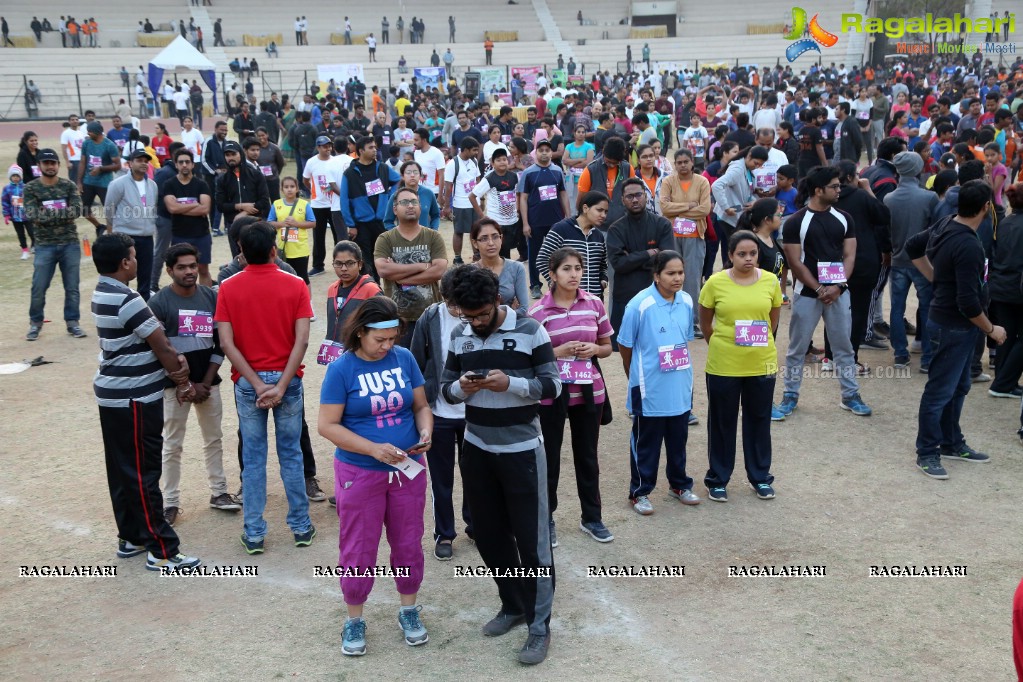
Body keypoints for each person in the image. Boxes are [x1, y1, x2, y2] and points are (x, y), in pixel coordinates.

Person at [438, 265, 559, 665]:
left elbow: (552, 386)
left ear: (497, 301)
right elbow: (446, 390)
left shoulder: (530, 331)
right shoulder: (460, 335)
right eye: (466, 316)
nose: (474, 322)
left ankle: (539, 627)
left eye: (480, 315)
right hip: (476, 450)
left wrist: (511, 384)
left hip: (523, 451)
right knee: (489, 537)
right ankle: (512, 605)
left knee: (532, 543)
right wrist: (463, 388)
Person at [318, 296, 434, 655]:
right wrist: (372, 449)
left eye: (392, 339)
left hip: (407, 472)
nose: (387, 346)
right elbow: (327, 425)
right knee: (358, 548)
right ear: (360, 333)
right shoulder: (342, 369)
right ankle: (354, 618)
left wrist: (426, 432)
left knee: (408, 542)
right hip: (360, 472)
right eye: (379, 340)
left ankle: (409, 610)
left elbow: (421, 406)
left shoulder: (405, 358)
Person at [90, 233, 202, 571]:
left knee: (122, 468)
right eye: (134, 256)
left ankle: (132, 537)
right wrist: (182, 380)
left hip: (112, 395)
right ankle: (162, 550)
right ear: (125, 263)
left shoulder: (101, 290)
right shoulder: (128, 299)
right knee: (144, 472)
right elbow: (164, 347)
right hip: (135, 397)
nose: (137, 261)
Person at [215, 221, 315, 553]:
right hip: (288, 381)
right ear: (275, 251)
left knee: (253, 457)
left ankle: (254, 532)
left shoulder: (228, 287)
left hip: (248, 383)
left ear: (241, 252)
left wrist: (257, 384)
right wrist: (282, 384)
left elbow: (227, 344)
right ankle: (301, 527)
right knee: (291, 453)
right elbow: (301, 341)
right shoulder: (297, 284)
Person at [915, 180, 1006, 479]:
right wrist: (991, 330)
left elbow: (913, 246)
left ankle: (951, 443)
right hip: (954, 325)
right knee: (940, 391)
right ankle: (927, 452)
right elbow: (967, 303)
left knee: (959, 386)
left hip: (957, 326)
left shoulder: (947, 223)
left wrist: (937, 278)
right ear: (986, 207)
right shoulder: (966, 243)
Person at [149, 243, 239, 525]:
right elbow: (159, 348)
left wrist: (206, 382)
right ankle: (171, 503)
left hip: (208, 385)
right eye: (181, 267)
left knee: (214, 440)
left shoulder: (212, 297)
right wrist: (185, 384)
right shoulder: (159, 303)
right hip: (173, 388)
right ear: (169, 271)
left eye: (192, 266)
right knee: (172, 444)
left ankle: (219, 493)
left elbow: (221, 343)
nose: (188, 272)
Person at [529, 247, 614, 543]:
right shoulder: (537, 312)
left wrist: (595, 350)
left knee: (587, 457)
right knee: (548, 458)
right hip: (552, 396)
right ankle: (546, 517)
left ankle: (592, 518)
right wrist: (557, 352)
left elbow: (606, 345)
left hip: (590, 393)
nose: (574, 274)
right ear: (552, 274)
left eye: (578, 268)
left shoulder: (594, 304)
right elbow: (530, 358)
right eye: (566, 269)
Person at [777, 165, 872, 418]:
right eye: (834, 186)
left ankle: (850, 395)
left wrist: (839, 287)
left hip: (839, 292)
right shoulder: (797, 221)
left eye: (839, 185)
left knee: (844, 346)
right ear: (818, 190)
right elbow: (794, 261)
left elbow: (850, 255)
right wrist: (819, 288)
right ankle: (790, 395)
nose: (839, 189)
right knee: (797, 348)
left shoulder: (844, 218)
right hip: (808, 293)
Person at [698, 230, 783, 501]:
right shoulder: (715, 282)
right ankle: (718, 479)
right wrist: (723, 344)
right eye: (742, 254)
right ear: (730, 255)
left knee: (759, 421)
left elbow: (773, 321)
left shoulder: (771, 281)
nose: (748, 259)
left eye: (753, 254)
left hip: (761, 363)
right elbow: (705, 322)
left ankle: (760, 477)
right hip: (724, 364)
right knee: (722, 422)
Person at [618, 250, 700, 515]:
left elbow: (685, 340)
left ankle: (679, 485)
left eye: (680, 273)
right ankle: (640, 492)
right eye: (670, 273)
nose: (677, 278)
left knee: (679, 439)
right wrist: (637, 376)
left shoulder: (687, 301)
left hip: (679, 384)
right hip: (649, 388)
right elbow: (625, 345)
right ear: (656, 275)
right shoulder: (639, 305)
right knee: (646, 442)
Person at [410, 270, 471, 558]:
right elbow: (416, 362)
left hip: (474, 411)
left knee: (476, 476)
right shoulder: (431, 317)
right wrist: (422, 405)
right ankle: (444, 534)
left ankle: (476, 525)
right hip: (440, 412)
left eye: (462, 304)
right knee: (441, 478)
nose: (458, 311)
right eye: (452, 304)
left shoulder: (480, 315)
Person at [373, 186, 449, 346]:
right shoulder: (385, 238)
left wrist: (400, 278)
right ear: (395, 209)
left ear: (420, 207)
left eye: (414, 202)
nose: (410, 206)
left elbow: (439, 271)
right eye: (405, 202)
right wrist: (423, 266)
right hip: (397, 317)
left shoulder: (433, 237)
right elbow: (383, 270)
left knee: (430, 366)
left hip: (430, 314)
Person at [23, 149, 86, 340]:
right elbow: (33, 215)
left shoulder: (68, 186)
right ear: (39, 166)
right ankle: (35, 323)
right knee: (39, 286)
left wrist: (46, 214)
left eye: (53, 163)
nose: (50, 166)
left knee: (72, 286)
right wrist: (61, 213)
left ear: (58, 165)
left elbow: (75, 211)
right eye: (46, 163)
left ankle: (73, 323)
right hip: (44, 245)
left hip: (70, 244)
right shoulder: (31, 188)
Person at [606, 177, 675, 344]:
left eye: (638, 195)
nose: (635, 200)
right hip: (626, 296)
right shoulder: (616, 229)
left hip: (658, 294)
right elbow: (619, 264)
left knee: (661, 344)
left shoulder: (662, 225)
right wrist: (650, 253)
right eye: (629, 197)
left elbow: (666, 261)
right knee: (626, 347)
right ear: (622, 200)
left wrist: (631, 257)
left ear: (646, 196)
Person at [660, 148, 712, 327]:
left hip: (695, 235)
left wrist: (678, 210)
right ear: (675, 164)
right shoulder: (668, 181)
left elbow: (705, 210)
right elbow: (665, 208)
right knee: (668, 276)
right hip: (671, 236)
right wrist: (689, 206)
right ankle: (668, 316)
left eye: (685, 162)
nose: (682, 165)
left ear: (692, 162)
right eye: (679, 162)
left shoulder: (702, 182)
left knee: (692, 278)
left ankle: (692, 321)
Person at [340, 136, 402, 281]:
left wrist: (390, 196)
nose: (375, 150)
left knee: (384, 256)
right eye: (371, 148)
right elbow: (344, 201)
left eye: (375, 147)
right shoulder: (349, 173)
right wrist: (351, 225)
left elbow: (397, 180)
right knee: (366, 259)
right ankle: (372, 288)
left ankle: (386, 287)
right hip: (361, 225)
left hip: (381, 222)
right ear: (360, 151)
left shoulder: (382, 168)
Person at [518, 138, 570, 299]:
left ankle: (557, 283)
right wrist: (525, 223)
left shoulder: (557, 170)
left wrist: (567, 216)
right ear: (536, 152)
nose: (545, 153)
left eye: (548, 150)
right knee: (535, 254)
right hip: (535, 221)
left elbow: (563, 193)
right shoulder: (529, 172)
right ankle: (535, 285)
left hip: (556, 221)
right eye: (541, 150)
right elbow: (523, 198)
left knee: (557, 254)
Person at [104, 149, 157, 300]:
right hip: (125, 237)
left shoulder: (152, 185)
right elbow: (109, 209)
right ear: (130, 163)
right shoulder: (118, 184)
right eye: (139, 160)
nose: (143, 163)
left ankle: (144, 308)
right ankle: (120, 305)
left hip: (146, 237)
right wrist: (112, 234)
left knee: (145, 276)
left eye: (146, 161)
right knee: (122, 276)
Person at [322, 241, 382, 370]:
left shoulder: (371, 290)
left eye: (350, 263)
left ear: (360, 264)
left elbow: (381, 326)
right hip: (336, 357)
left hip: (362, 359)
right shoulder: (332, 289)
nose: (343, 268)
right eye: (338, 263)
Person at [537, 190, 608, 299]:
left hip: (594, 300)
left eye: (606, 212)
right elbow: (542, 259)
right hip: (566, 299)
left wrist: (603, 281)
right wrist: (555, 282)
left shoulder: (598, 236)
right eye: (599, 210)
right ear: (585, 208)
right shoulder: (561, 229)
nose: (603, 215)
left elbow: (603, 265)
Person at [987, 183, 1023, 398]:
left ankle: (1003, 381)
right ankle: (1004, 383)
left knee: (1006, 334)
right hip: (1016, 287)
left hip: (1001, 284)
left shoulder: (1004, 223)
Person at [160, 148, 213, 286]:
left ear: (192, 164)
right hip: (180, 235)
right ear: (176, 165)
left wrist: (180, 208)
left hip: (201, 235)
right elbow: (172, 208)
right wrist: (195, 204)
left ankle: (205, 300)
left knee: (203, 269)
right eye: (181, 162)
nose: (184, 165)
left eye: (187, 162)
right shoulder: (169, 185)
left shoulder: (201, 184)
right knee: (180, 270)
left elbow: (205, 209)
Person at [711, 146, 769, 267]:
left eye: (760, 165)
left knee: (733, 250)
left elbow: (744, 193)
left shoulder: (747, 169)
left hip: (737, 215)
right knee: (735, 251)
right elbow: (716, 185)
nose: (757, 167)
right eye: (756, 163)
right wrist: (726, 207)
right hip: (729, 217)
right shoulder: (738, 168)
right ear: (749, 156)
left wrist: (755, 198)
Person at [303, 134, 349, 277]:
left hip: (334, 205)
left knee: (339, 235)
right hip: (318, 205)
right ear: (318, 148)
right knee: (318, 236)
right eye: (324, 146)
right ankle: (318, 265)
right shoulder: (311, 162)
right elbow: (305, 180)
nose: (327, 149)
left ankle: (339, 262)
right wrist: (314, 192)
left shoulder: (335, 161)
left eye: (329, 146)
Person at [216, 140, 270, 259]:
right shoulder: (222, 180)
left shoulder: (255, 175)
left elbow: (264, 201)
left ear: (240, 154)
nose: (230, 158)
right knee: (239, 259)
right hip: (233, 225)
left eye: (233, 154)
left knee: (259, 258)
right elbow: (220, 205)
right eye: (227, 155)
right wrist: (240, 206)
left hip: (256, 223)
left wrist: (245, 213)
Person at [470, 148, 521, 259]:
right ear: (492, 163)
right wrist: (482, 216)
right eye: (498, 160)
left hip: (512, 221)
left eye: (504, 159)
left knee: (507, 252)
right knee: (498, 252)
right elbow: (472, 196)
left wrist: (518, 209)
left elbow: (518, 194)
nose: (502, 162)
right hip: (497, 222)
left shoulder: (514, 176)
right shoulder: (489, 179)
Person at [472, 218, 529, 310]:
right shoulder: (469, 272)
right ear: (475, 243)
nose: (491, 243)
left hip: (512, 323)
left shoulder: (517, 268)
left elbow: (523, 308)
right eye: (484, 238)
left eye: (495, 237)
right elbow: (468, 311)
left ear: (501, 238)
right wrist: (508, 311)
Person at [442, 138, 482, 264]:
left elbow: (478, 180)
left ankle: (477, 255)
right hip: (460, 204)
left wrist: (482, 198)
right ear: (465, 150)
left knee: (475, 231)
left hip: (475, 203)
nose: (476, 152)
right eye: (474, 150)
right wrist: (447, 206)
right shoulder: (453, 164)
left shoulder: (474, 161)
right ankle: (458, 258)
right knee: (458, 231)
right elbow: (448, 187)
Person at [78, 121, 121, 240]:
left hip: (104, 183)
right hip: (88, 182)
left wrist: (101, 169)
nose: (88, 133)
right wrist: (79, 182)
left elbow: (118, 166)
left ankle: (112, 234)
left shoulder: (109, 145)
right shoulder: (86, 143)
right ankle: (99, 227)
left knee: (109, 211)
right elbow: (82, 162)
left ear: (97, 132)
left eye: (90, 131)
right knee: (85, 210)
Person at [268, 176, 315, 284]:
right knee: (283, 277)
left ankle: (308, 300)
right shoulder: (276, 204)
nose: (289, 189)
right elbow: (270, 222)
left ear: (297, 188)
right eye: (286, 187)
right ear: (282, 189)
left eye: (292, 186)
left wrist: (296, 224)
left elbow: (313, 223)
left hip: (300, 249)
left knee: (302, 277)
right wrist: (282, 224)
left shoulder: (304, 204)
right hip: (282, 248)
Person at [384, 160, 440, 230]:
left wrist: (433, 231)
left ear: (420, 175)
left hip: (425, 238)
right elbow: (387, 221)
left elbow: (436, 215)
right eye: (408, 172)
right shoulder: (396, 196)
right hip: (403, 239)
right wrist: (397, 235)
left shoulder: (428, 193)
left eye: (416, 172)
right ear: (402, 176)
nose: (412, 175)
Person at [2, 164, 33, 259]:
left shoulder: (26, 187)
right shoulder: (7, 189)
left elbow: (31, 200)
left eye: (17, 176)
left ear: (21, 177)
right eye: (13, 176)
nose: (15, 178)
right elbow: (5, 202)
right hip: (15, 217)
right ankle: (25, 251)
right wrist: (6, 215)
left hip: (26, 215)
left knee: (32, 232)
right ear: (10, 177)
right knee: (20, 234)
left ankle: (35, 245)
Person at [60, 114, 86, 184]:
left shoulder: (81, 133)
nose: (75, 121)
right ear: (69, 122)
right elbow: (64, 148)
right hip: (73, 160)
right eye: (72, 120)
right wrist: (67, 162)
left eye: (76, 119)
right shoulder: (66, 133)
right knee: (75, 180)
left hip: (82, 160)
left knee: (83, 180)